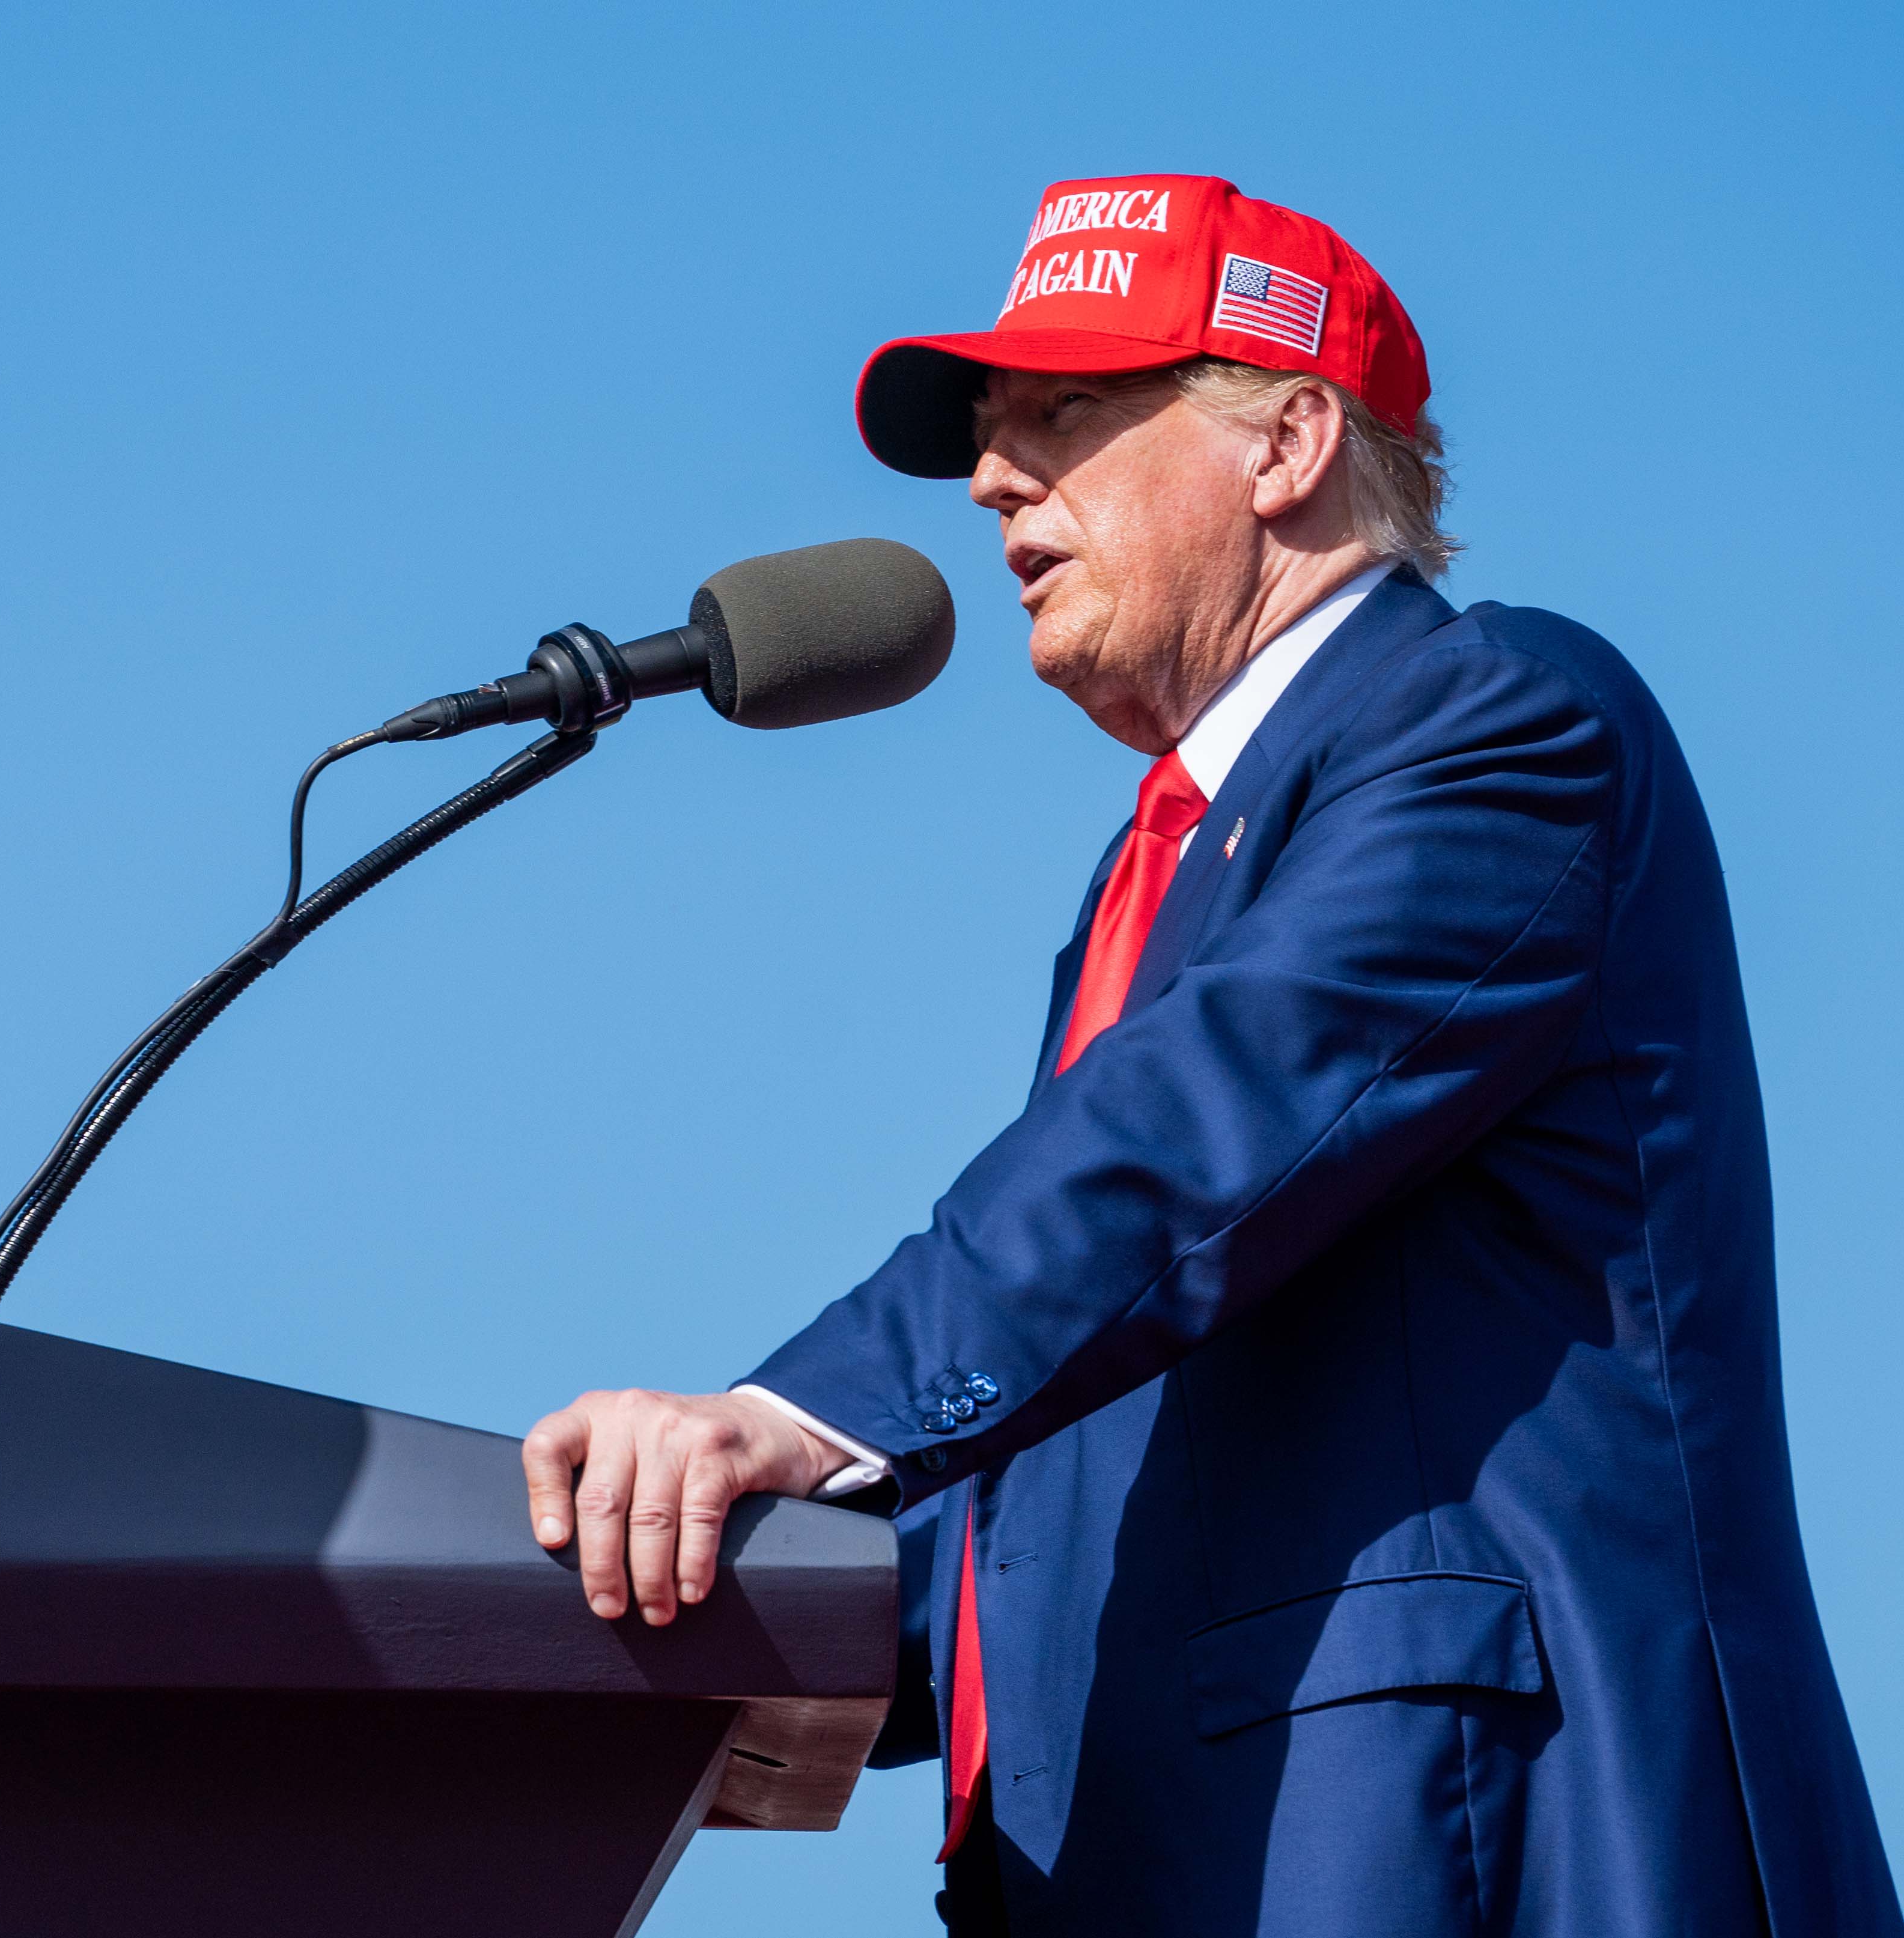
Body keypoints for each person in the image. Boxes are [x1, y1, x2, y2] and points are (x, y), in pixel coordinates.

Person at [520, 174, 1902, 1936]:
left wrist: (788, 1419)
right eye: (995, 435)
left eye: (1068, 415)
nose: (991, 481)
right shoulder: (1154, 871)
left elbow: (1192, 1141)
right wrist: (737, 1620)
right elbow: (1073, 1421)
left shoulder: (1503, 719)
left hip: (1455, 1846)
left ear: (1289, 442)